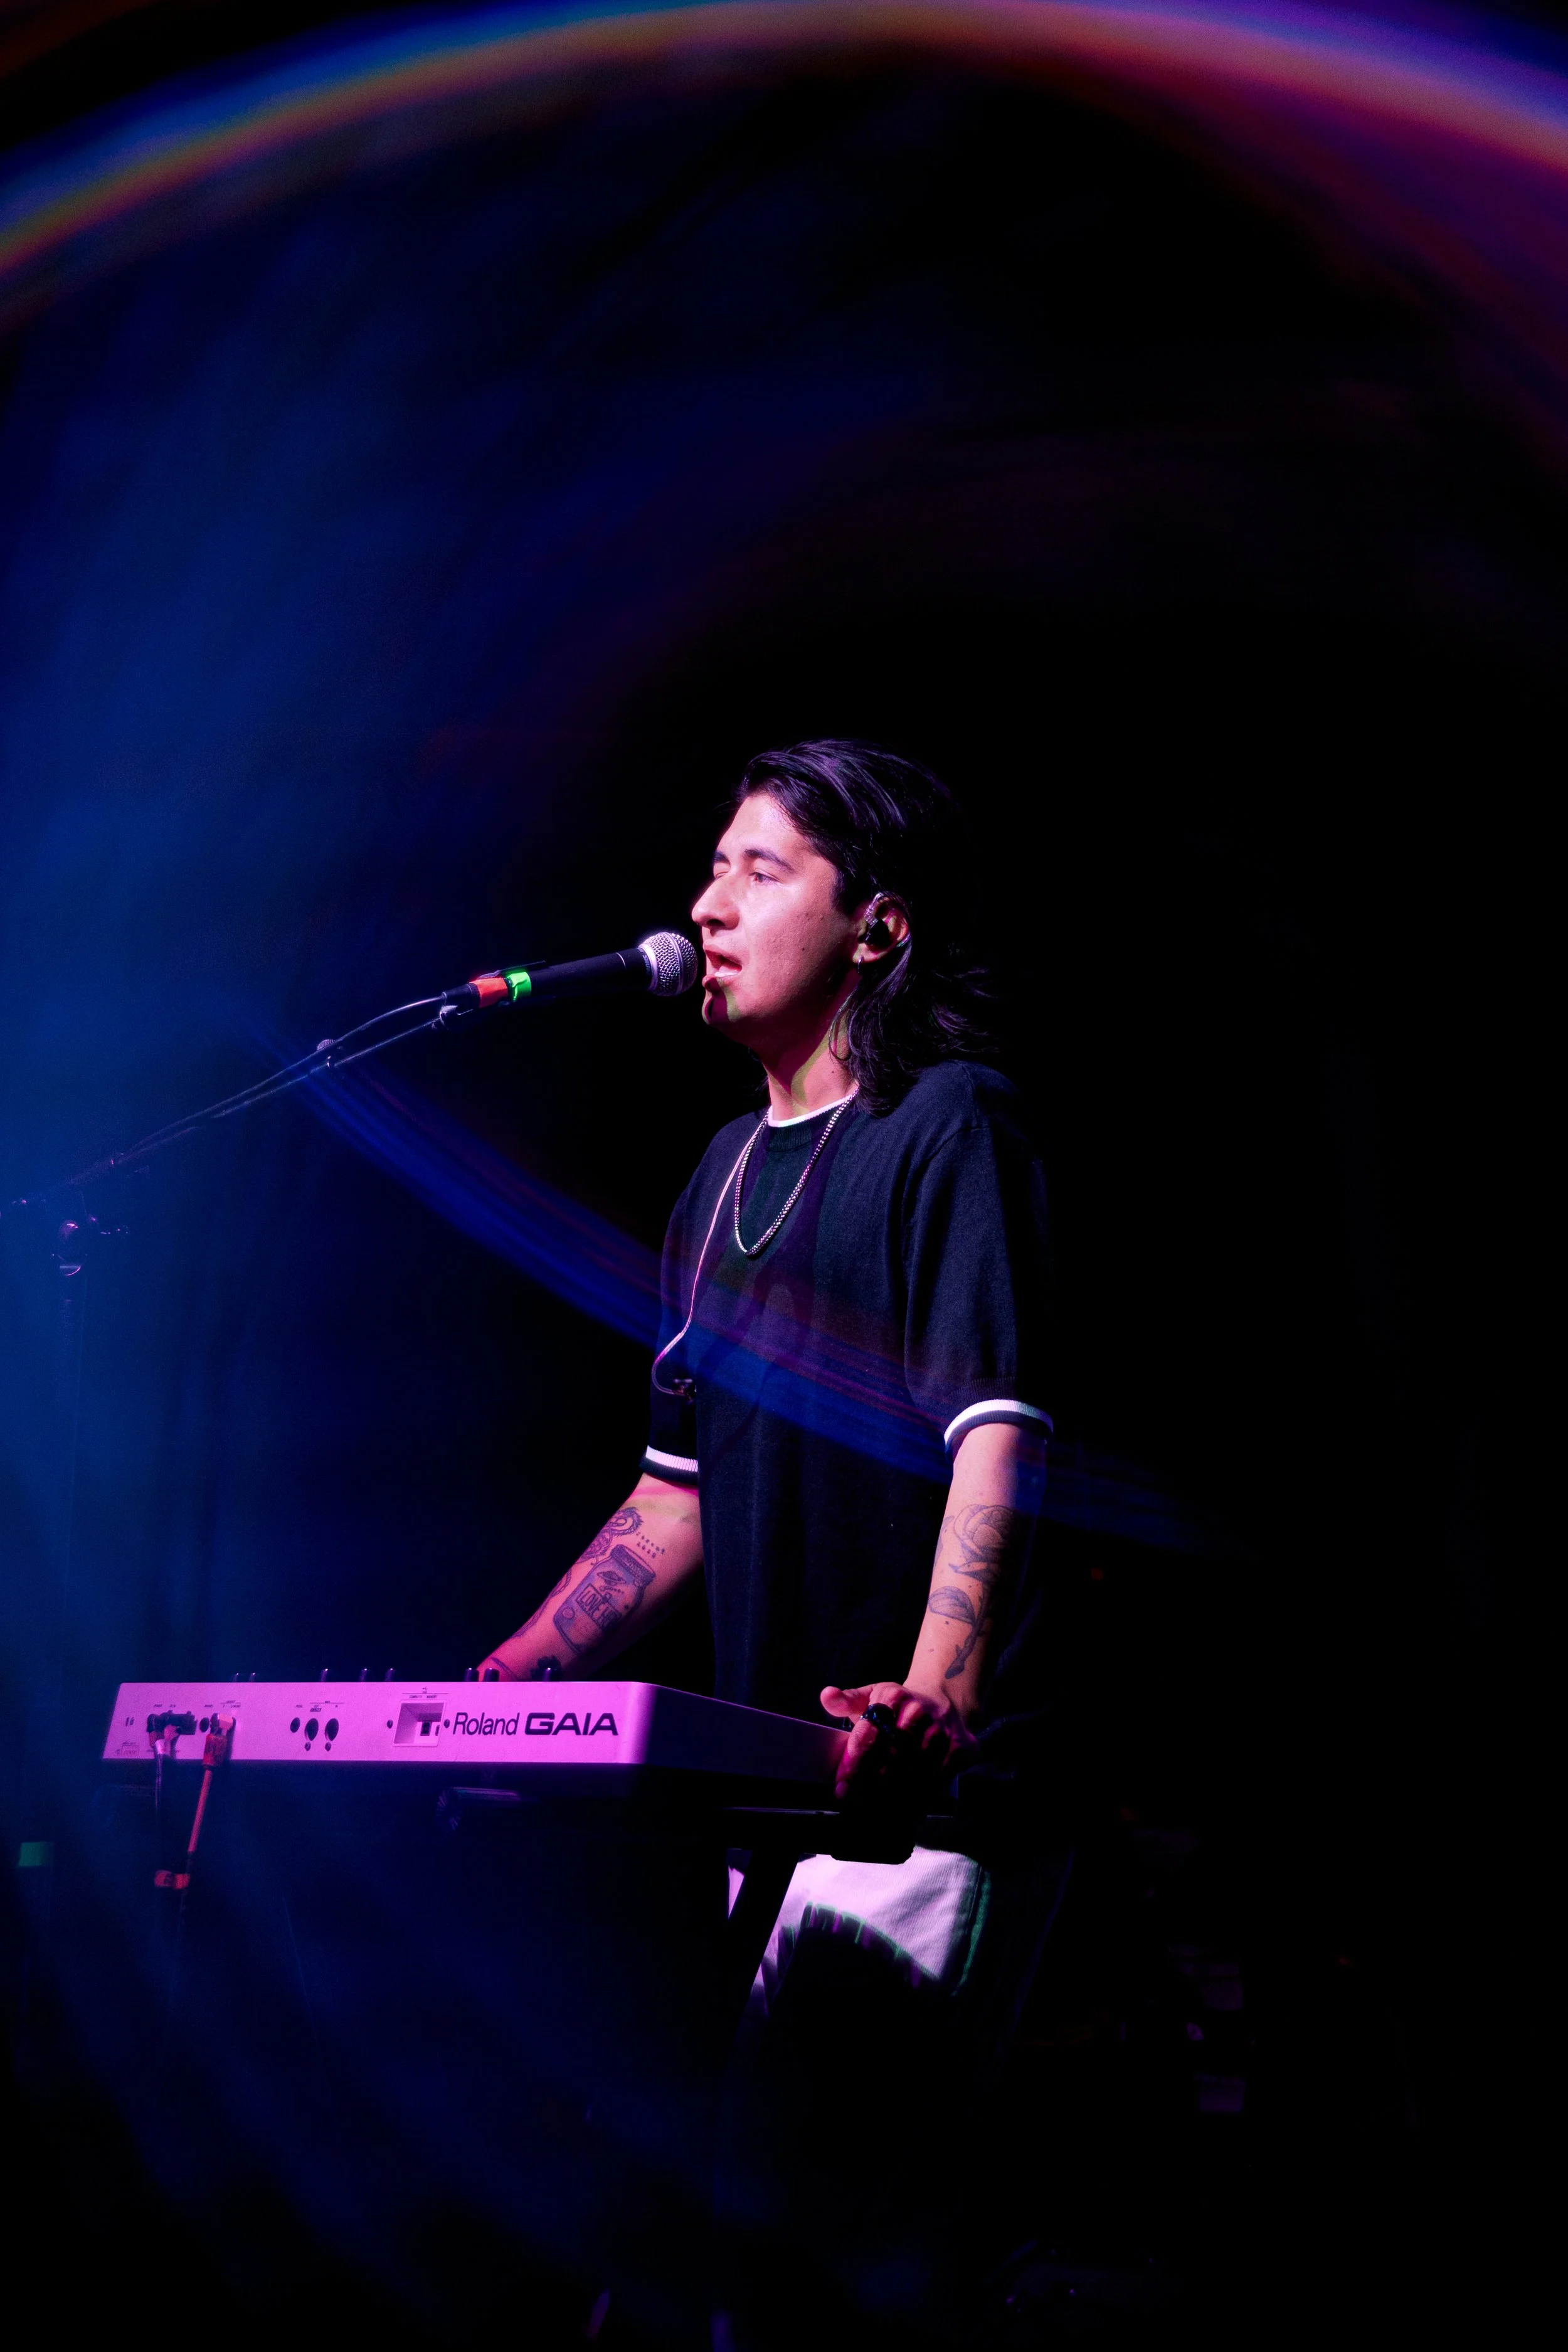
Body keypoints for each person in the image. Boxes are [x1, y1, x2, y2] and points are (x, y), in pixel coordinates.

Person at [479, 739, 1061, 2336]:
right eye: (710, 869)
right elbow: (673, 1500)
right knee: (688, 2253)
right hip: (761, 1802)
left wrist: (933, 1694)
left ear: (872, 926)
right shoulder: (717, 1175)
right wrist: (497, 1686)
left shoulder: (946, 1122)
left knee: (816, 2261)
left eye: (757, 869)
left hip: (911, 1805)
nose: (704, 905)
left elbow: (991, 1434)